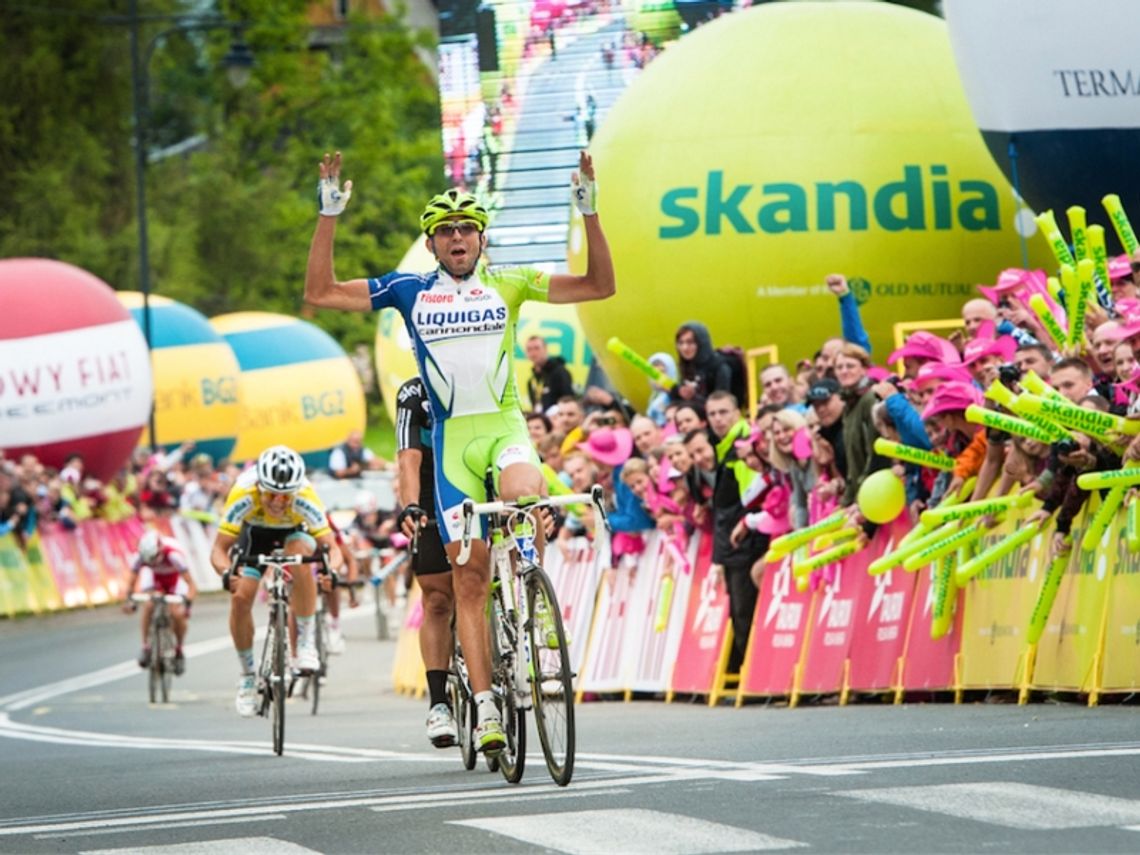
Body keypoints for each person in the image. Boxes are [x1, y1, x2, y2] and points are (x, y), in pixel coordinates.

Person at [303, 149, 614, 754]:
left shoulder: (511, 281)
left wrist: (590, 212)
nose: (457, 238)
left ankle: (531, 597)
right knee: (467, 582)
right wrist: (328, 214)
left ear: (480, 237)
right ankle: (488, 702)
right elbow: (320, 291)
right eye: (445, 231)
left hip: (503, 429)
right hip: (451, 450)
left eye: (466, 228)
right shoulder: (408, 290)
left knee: (528, 494)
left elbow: (601, 286)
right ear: (432, 243)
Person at [210, 445, 344, 718]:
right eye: (272, 494)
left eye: (286, 496)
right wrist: (227, 573)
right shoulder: (243, 493)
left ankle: (305, 642)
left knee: (301, 556)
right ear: (259, 485)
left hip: (294, 534)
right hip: (255, 535)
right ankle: (248, 676)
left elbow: (333, 548)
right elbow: (219, 550)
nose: (279, 502)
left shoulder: (305, 496)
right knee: (241, 597)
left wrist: (332, 571)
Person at [394, 376, 459, 747]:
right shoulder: (414, 393)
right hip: (430, 496)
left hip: (479, 488)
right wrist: (411, 505)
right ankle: (439, 704)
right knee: (436, 600)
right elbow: (408, 458)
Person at [125, 530, 197, 674]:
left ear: (161, 550)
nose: (152, 562)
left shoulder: (174, 555)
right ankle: (146, 647)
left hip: (175, 579)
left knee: (176, 614)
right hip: (154, 578)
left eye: (154, 558)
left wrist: (188, 602)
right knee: (149, 604)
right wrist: (130, 601)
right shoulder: (140, 557)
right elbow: (131, 584)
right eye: (148, 560)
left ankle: (179, 650)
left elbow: (191, 585)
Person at [524, 335, 576, 413]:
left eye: (537, 348)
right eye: (529, 349)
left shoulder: (560, 372)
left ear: (545, 349)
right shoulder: (531, 381)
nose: (533, 353)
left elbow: (568, 399)